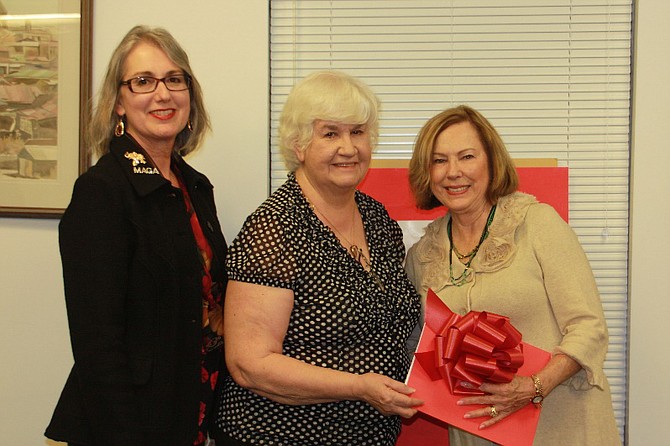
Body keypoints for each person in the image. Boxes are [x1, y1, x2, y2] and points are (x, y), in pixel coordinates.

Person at [212, 70, 422, 446]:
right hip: (276, 436)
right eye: (330, 133)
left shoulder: (377, 219)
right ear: (299, 145)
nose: (348, 147)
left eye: (358, 132)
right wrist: (359, 387)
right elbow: (250, 364)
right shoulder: (275, 228)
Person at [44, 26, 227, 446]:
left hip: (191, 408)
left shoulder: (195, 186)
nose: (162, 94)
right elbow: (98, 346)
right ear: (118, 103)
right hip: (129, 425)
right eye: (143, 81)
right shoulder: (102, 192)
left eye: (174, 79)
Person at [405, 105, 621, 445]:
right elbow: (421, 348)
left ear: (491, 162)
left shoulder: (537, 224)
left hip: (560, 424)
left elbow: (589, 328)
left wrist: (534, 386)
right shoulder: (423, 255)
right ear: (426, 172)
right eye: (439, 160)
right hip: (475, 431)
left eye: (466, 156)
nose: (453, 172)